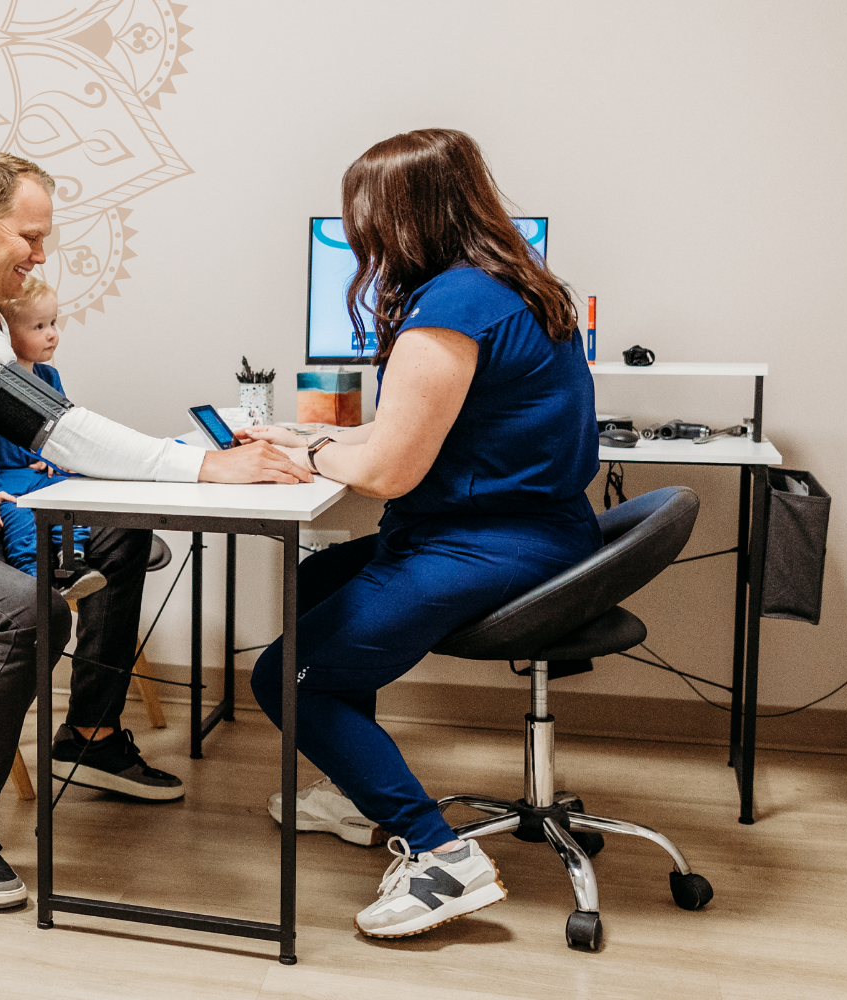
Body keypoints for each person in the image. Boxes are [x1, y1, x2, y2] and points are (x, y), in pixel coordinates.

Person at [0, 151, 312, 911]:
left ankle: (92, 734)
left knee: (121, 534)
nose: (41, 256)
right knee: (30, 613)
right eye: (30, 237)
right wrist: (204, 471)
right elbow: (57, 433)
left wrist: (181, 463)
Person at [238, 129, 601, 940]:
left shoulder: (451, 306)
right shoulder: (512, 288)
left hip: (487, 546)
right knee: (319, 582)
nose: (357, 234)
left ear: (407, 215)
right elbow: (418, 431)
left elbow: (395, 471)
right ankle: (354, 788)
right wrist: (315, 442)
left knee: (287, 678)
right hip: (531, 532)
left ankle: (441, 858)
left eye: (365, 215)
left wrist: (320, 450)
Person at [0, 276, 106, 601]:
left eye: (52, 322)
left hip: (39, 474)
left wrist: (51, 461)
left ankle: (71, 562)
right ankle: (35, 584)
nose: (52, 333)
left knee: (74, 500)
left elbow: (61, 429)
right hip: (8, 480)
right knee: (18, 518)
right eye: (39, 327)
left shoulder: (49, 377)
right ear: (6, 335)